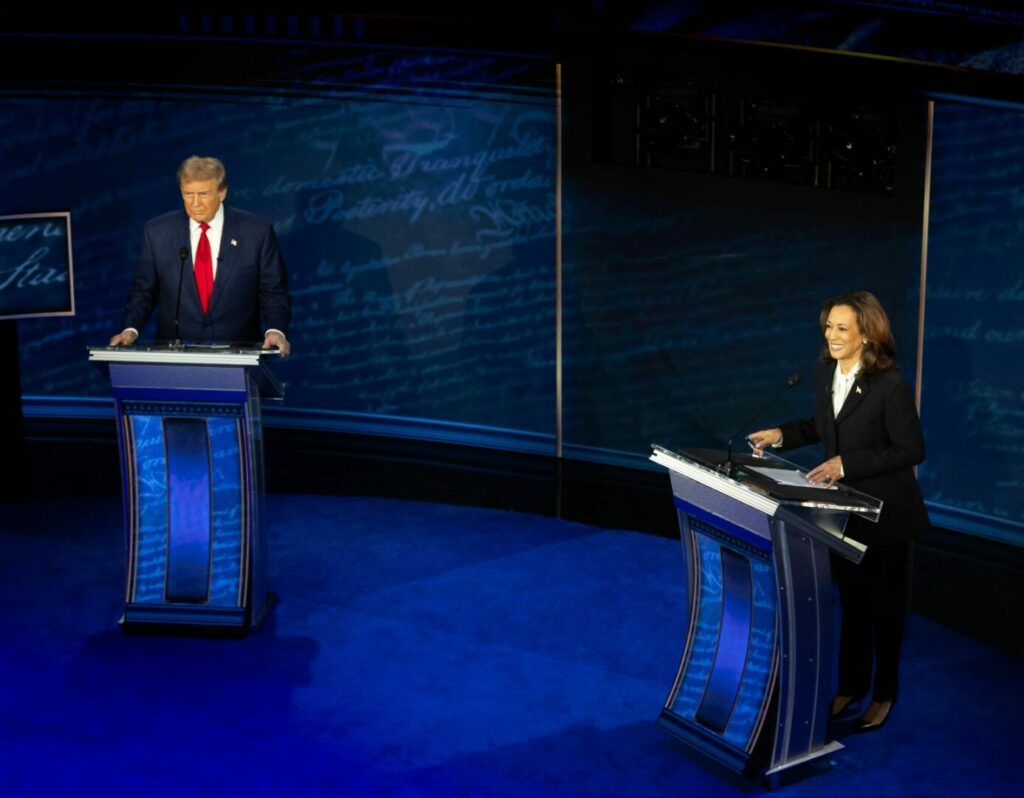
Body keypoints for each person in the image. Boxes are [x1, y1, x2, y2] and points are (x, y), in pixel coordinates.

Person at [749, 291, 928, 733]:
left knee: (885, 613)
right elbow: (826, 425)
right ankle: (850, 685)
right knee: (853, 606)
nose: (831, 335)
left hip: (887, 518)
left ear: (866, 333)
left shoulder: (890, 384)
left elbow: (910, 449)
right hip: (844, 514)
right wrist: (782, 435)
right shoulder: (826, 370)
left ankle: (884, 694)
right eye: (828, 326)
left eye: (842, 328)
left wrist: (846, 465)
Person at [109, 156, 291, 355]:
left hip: (238, 355)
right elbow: (144, 291)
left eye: (203, 194)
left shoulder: (256, 232)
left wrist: (276, 329)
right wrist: (130, 329)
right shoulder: (157, 232)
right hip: (175, 358)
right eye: (188, 194)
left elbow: (273, 291)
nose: (195, 203)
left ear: (222, 192)